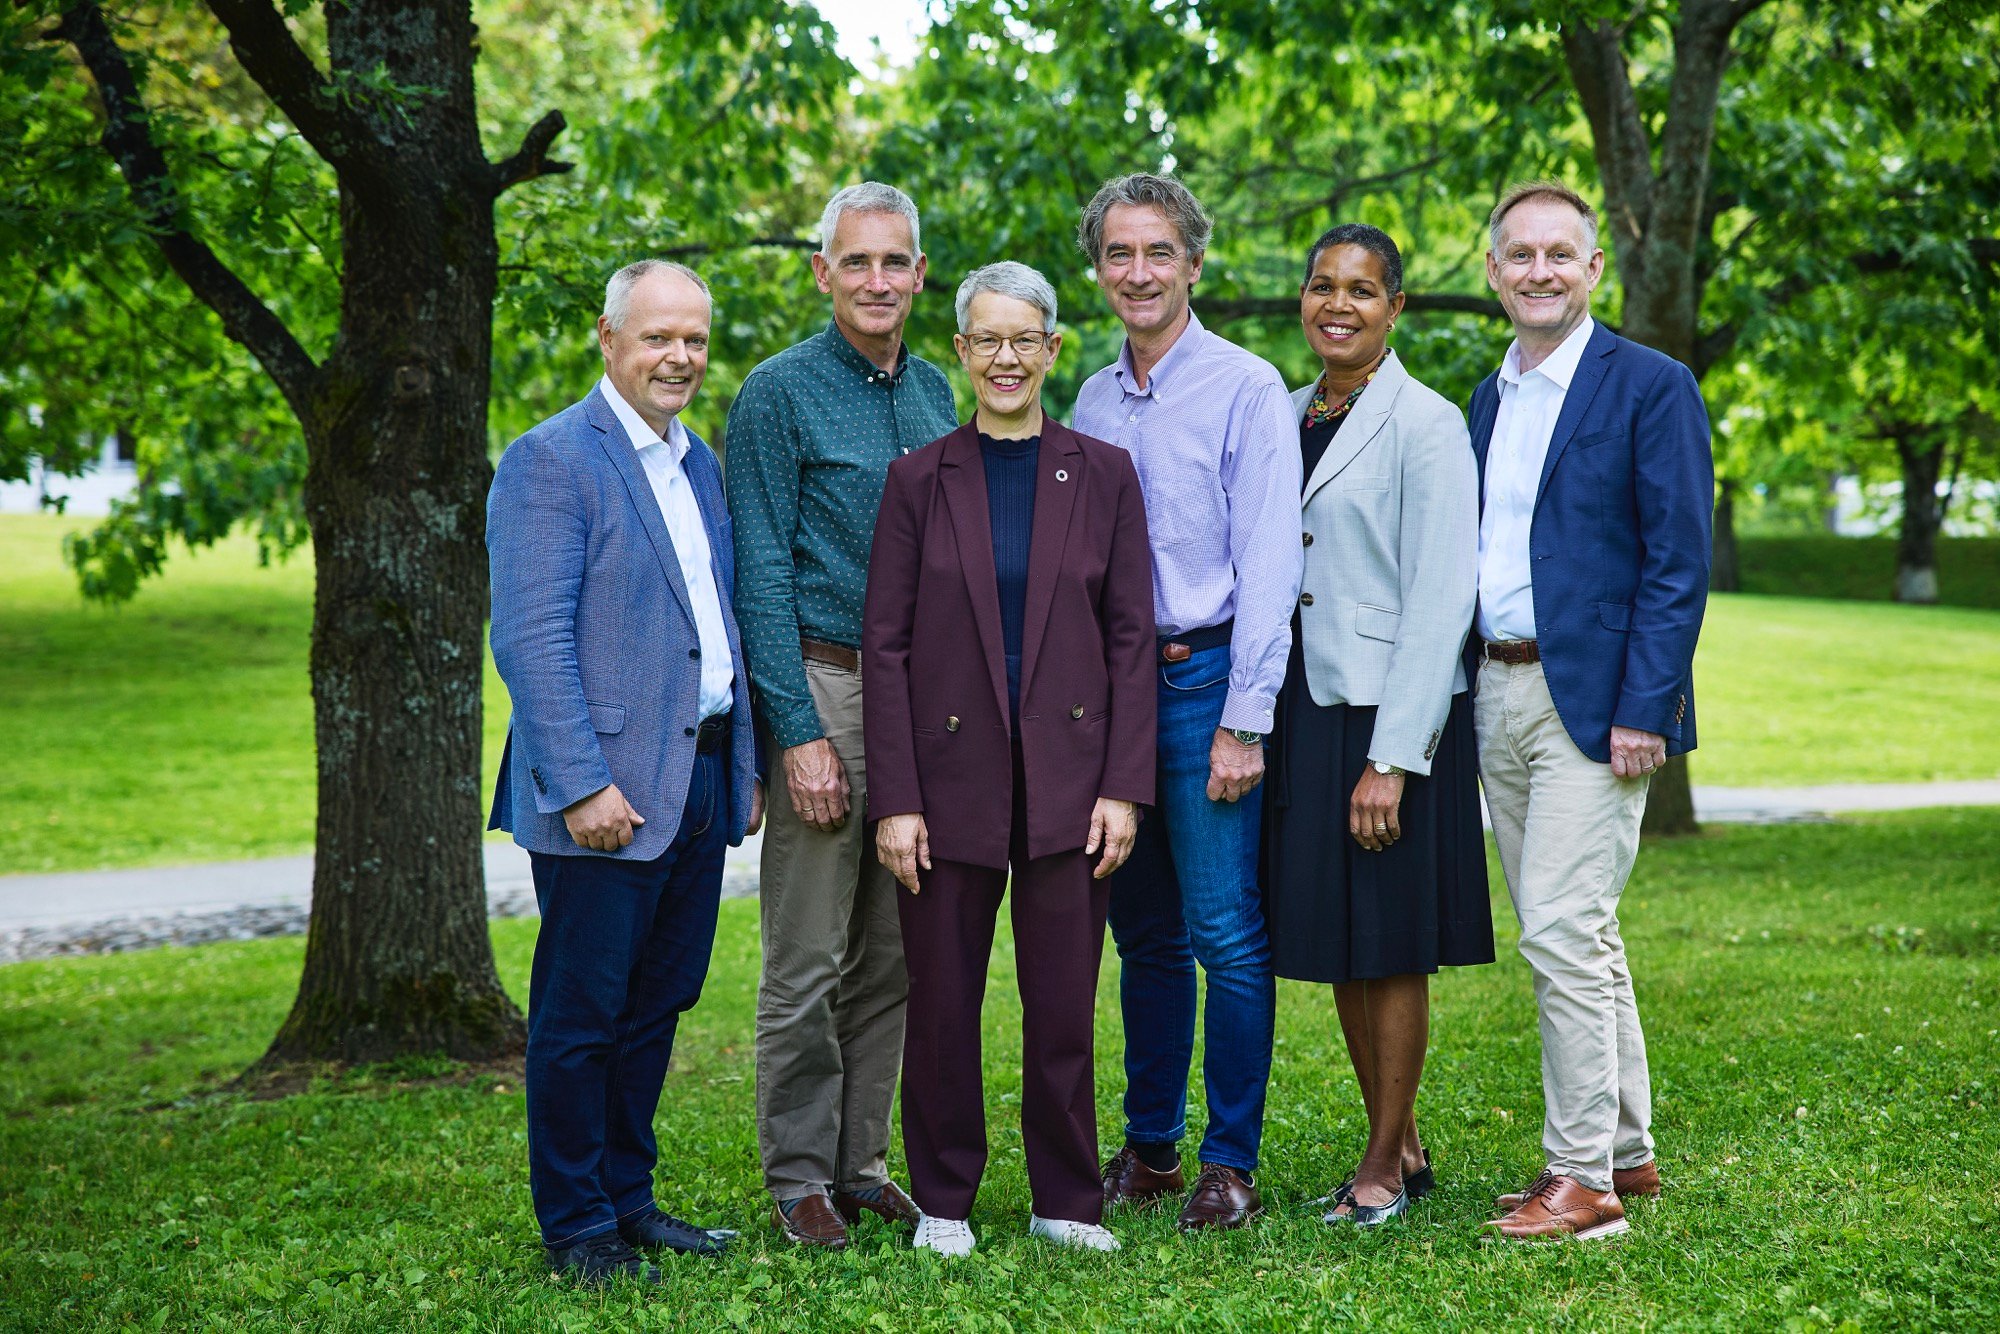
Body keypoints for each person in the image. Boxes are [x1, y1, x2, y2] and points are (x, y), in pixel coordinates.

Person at [862, 262, 1157, 1257]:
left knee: (1063, 1004)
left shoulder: (1104, 473)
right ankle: (944, 1199)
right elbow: (885, 646)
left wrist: (1123, 786)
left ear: (1052, 349)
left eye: (1022, 339)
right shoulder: (917, 479)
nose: (1004, 357)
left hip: (1073, 781)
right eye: (985, 339)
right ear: (959, 351)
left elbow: (1130, 638)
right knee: (943, 1001)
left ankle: (1065, 1199)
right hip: (947, 783)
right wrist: (896, 800)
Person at [487, 260, 764, 1286]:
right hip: (604, 790)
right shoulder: (551, 459)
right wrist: (580, 783)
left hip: (697, 777)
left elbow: (715, 624)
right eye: (658, 337)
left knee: (656, 1003)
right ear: (608, 339)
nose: (678, 356)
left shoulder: (697, 462)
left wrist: (745, 764)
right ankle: (576, 1225)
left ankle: (628, 1199)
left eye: (694, 338)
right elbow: (529, 638)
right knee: (581, 1016)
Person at [1469, 182, 1712, 1242]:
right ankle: (1626, 1150)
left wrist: (1645, 706)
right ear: (1493, 271)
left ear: (1593, 268)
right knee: (1581, 930)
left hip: (1600, 702)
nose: (1539, 271)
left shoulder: (1650, 384)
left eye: (1559, 254)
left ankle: (1581, 1183)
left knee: (1561, 929)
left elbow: (1677, 561)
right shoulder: (1488, 397)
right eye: (1520, 255)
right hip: (1499, 689)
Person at [725, 182, 959, 1249]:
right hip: (824, 684)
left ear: (919, 274)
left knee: (893, 953)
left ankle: (860, 1164)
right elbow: (762, 571)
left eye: (893, 261)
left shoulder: (938, 391)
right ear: (822, 271)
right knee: (808, 954)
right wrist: (799, 732)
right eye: (854, 261)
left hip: (921, 700)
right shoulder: (777, 394)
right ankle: (796, 1175)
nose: (876, 279)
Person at [1072, 173, 1303, 1231]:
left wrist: (1243, 720)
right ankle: (1152, 1147)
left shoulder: (1246, 387)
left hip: (1207, 680)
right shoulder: (1087, 398)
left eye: (1157, 251)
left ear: (1194, 264)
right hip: (1111, 693)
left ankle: (1229, 1161)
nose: (1138, 272)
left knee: (1224, 932)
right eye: (1118, 253)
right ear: (1097, 270)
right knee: (1145, 937)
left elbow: (1269, 564)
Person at [1262, 223, 1495, 1228]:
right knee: (1339, 938)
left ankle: (1381, 1165)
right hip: (1306, 710)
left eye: (1361, 289)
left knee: (1390, 941)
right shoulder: (1284, 413)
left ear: (1395, 307)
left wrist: (1392, 759)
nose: (1338, 304)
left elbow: (1441, 598)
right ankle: (1398, 1139)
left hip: (1390, 715)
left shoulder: (1426, 423)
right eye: (1322, 285)